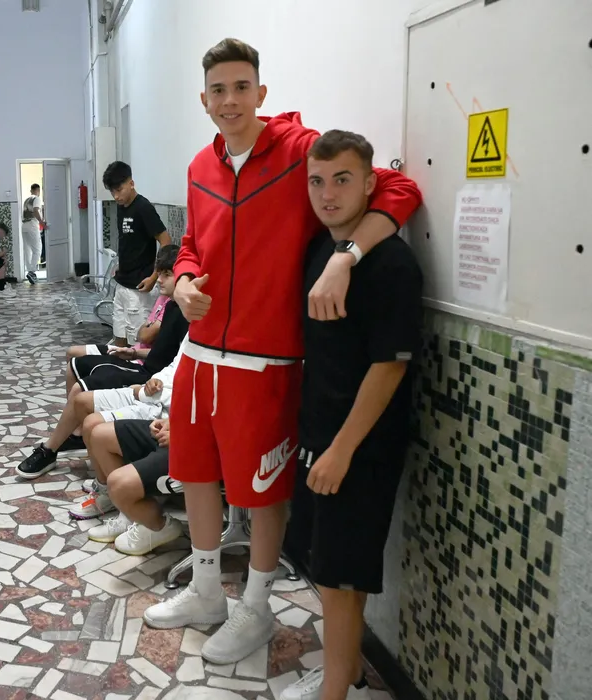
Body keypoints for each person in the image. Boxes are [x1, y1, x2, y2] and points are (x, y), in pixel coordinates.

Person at [143, 38, 422, 665]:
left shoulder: (301, 152)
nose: (230, 100)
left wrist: (346, 257)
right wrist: (183, 281)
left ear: (261, 92)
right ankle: (206, 592)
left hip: (266, 361)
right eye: (218, 90)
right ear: (204, 100)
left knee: (263, 492)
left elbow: (399, 188)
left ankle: (256, 606)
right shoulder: (200, 166)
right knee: (195, 473)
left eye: (241, 87)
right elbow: (192, 244)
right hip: (201, 355)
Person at [280, 132, 422, 700]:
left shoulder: (391, 264)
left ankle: (336, 690)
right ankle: (350, 670)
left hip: (360, 447)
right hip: (320, 431)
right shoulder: (323, 250)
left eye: (342, 180)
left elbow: (389, 368)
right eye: (317, 181)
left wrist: (342, 451)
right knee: (330, 566)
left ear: (369, 184)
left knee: (341, 578)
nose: (328, 193)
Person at [15, 328, 185, 482]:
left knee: (91, 421)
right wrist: (155, 378)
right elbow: (173, 365)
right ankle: (55, 449)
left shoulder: (190, 322)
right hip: (151, 389)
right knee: (81, 398)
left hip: (157, 397)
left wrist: (141, 389)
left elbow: (188, 391)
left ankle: (107, 485)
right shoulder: (186, 324)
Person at [69, 245, 186, 395]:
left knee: (80, 389)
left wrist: (135, 354)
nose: (158, 280)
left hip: (151, 375)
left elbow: (149, 339)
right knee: (74, 363)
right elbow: (143, 335)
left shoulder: (182, 314)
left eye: (167, 275)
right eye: (159, 274)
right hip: (140, 358)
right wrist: (133, 352)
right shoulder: (168, 304)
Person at [79, 413, 185, 555]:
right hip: (183, 428)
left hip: (196, 445)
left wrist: (184, 438)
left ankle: (158, 526)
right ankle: (129, 516)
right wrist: (170, 420)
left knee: (118, 484)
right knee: (99, 435)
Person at [102, 161, 172, 346]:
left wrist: (154, 277)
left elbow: (166, 241)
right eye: (112, 192)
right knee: (119, 339)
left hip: (140, 288)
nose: (116, 196)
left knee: (137, 344)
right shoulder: (121, 206)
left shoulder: (143, 207)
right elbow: (129, 240)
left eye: (119, 190)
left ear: (131, 183)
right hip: (122, 283)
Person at [64, 292, 167, 393]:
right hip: (136, 351)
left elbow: (146, 337)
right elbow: (141, 334)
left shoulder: (172, 309)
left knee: (78, 385)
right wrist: (133, 351)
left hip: (144, 365)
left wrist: (135, 353)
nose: (160, 282)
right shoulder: (163, 298)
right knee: (72, 353)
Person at [21, 183, 46, 284]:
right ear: (38, 190)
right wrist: (41, 222)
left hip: (24, 226)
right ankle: (31, 272)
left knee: (28, 250)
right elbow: (36, 210)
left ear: (31, 190)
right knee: (37, 249)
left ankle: (30, 271)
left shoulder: (26, 200)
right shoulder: (37, 199)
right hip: (32, 225)